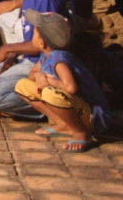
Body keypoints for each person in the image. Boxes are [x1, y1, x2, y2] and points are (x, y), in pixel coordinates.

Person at [15, 10, 111, 153]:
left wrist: (49, 82)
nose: (32, 36)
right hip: (76, 107)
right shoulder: (46, 54)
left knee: (49, 93)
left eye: (34, 33)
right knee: (22, 85)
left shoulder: (59, 59)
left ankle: (81, 133)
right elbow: (32, 73)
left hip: (92, 115)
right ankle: (62, 124)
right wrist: (39, 75)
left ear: (41, 42)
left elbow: (70, 87)